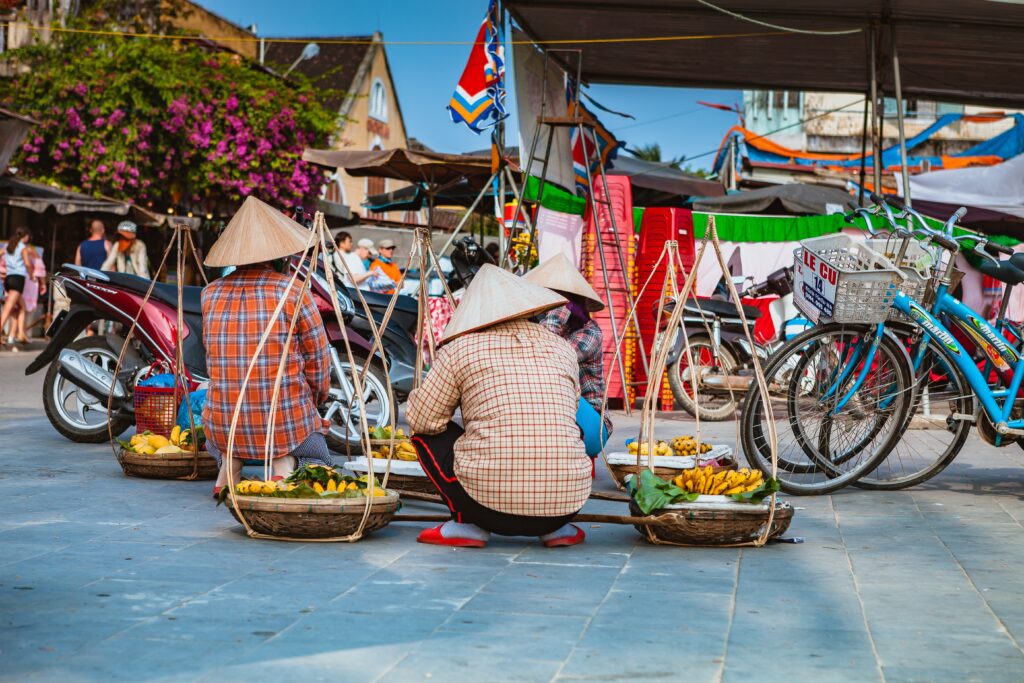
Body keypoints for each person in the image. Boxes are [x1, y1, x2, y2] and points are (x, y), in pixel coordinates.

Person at [407, 264, 592, 548]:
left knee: (424, 434)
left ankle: (465, 525)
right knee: (569, 429)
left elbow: (423, 420)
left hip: (485, 510)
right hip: (566, 507)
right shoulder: (561, 347)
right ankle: (557, 530)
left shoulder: (461, 349)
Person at [201, 196, 333, 496]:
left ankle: (228, 469)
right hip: (281, 420)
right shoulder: (294, 290)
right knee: (310, 443)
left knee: (233, 416)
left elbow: (213, 357)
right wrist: (316, 397)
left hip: (224, 422)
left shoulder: (209, 293)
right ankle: (282, 468)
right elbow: (318, 360)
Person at [525, 254, 612, 456]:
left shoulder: (590, 333)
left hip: (593, 425)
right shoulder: (540, 328)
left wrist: (558, 311)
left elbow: (550, 360)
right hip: (560, 415)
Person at [1, 228, 44, 349]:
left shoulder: (8, 246)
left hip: (8, 279)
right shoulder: (23, 248)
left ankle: (18, 335)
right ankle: (18, 334)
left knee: (21, 307)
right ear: (25, 237)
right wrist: (31, 275)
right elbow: (27, 264)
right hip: (18, 280)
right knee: (8, 309)